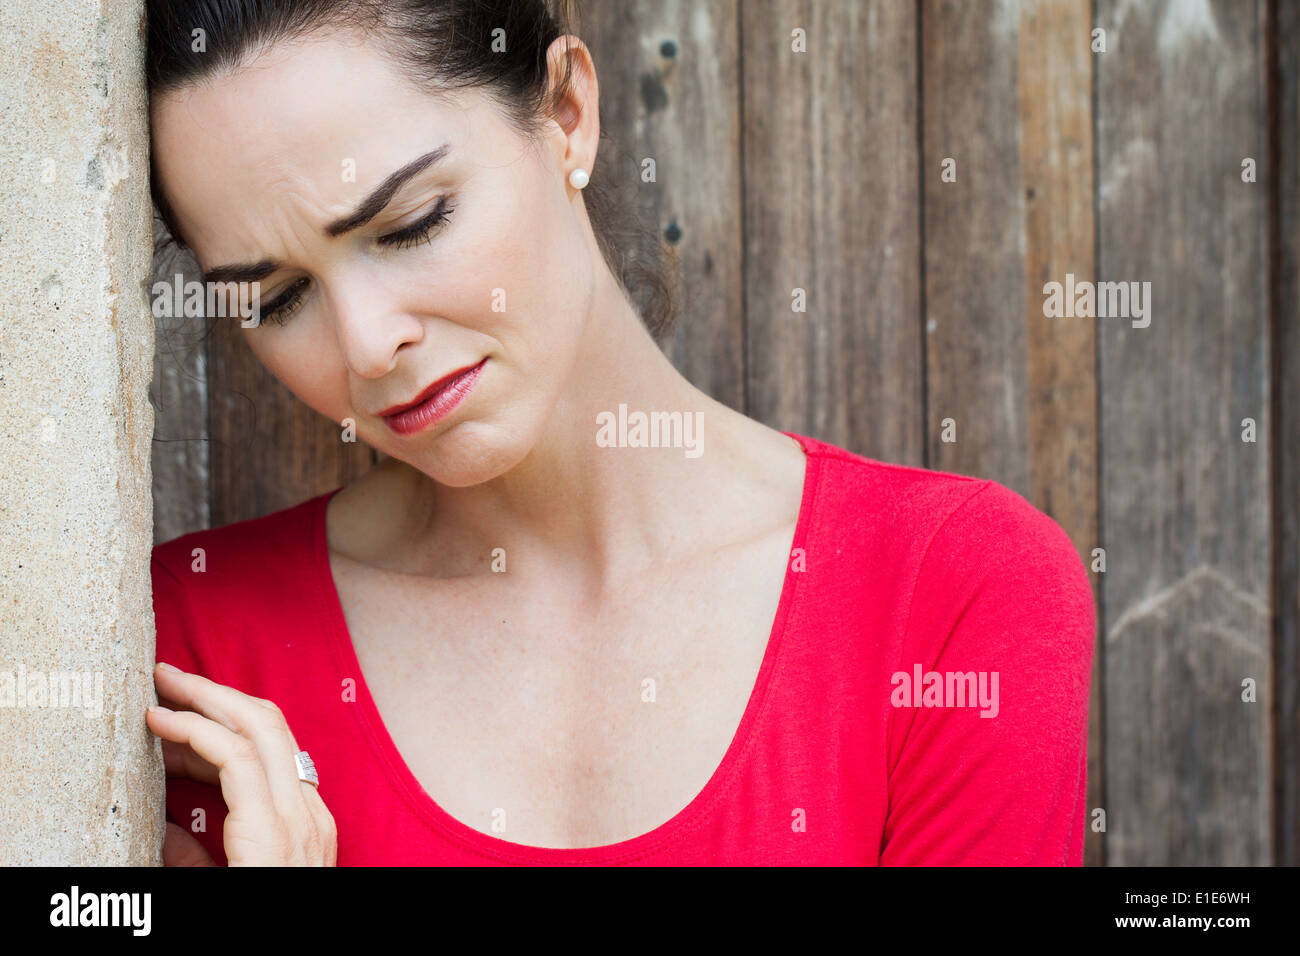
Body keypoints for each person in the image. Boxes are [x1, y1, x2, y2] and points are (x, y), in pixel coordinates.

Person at [146, 0, 1095, 866]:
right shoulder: (185, 657)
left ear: (566, 115)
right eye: (277, 298)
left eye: (412, 223)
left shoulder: (949, 597)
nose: (366, 344)